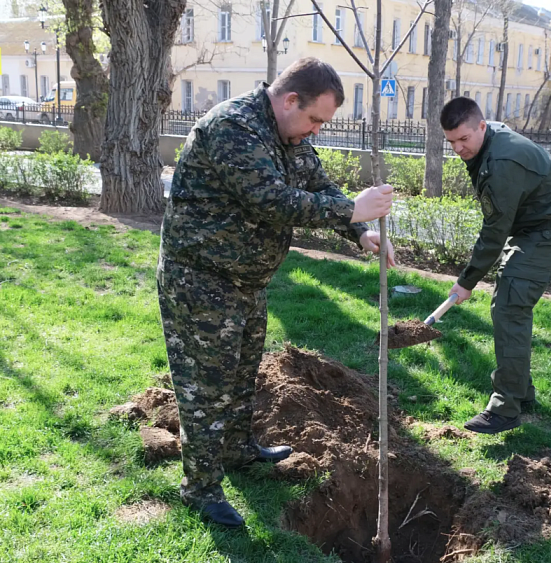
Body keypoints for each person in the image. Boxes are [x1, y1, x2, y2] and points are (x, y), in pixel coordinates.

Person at [157, 57, 396, 528]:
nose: (316, 131)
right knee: (207, 388)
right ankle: (200, 488)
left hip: (245, 281)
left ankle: (238, 451)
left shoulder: (290, 135)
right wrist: (352, 210)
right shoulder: (233, 127)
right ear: (290, 100)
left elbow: (315, 184)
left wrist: (360, 232)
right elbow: (271, 200)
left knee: (243, 372)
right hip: (200, 281)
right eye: (314, 120)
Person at [440, 97, 551, 435]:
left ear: (482, 127)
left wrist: (467, 281)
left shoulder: (501, 162)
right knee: (508, 304)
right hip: (534, 229)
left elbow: (494, 231)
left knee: (509, 306)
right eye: (452, 142)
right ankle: (522, 392)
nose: (458, 148)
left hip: (548, 233)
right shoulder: (490, 144)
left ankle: (505, 407)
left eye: (464, 139)